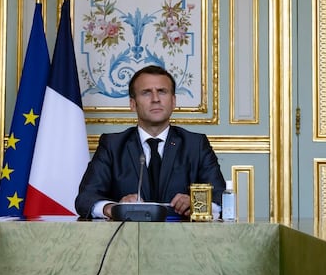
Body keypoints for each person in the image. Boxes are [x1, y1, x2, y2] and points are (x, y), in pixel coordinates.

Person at [75, 65, 226, 219]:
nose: (155, 99)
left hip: (184, 239)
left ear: (173, 101)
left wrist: (196, 203)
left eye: (162, 91)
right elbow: (85, 199)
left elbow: (220, 197)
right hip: (127, 239)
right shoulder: (112, 145)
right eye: (146, 93)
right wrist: (113, 208)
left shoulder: (196, 145)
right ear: (133, 104)